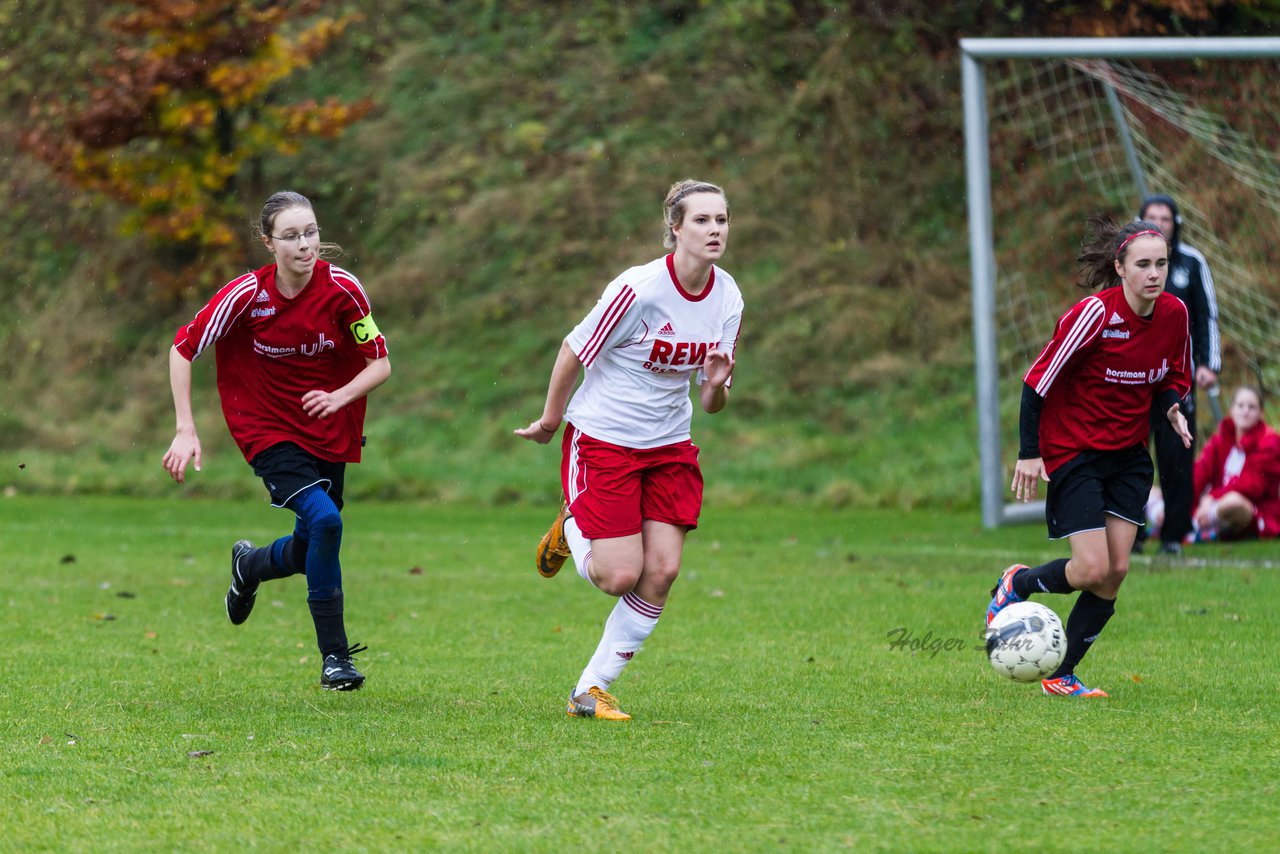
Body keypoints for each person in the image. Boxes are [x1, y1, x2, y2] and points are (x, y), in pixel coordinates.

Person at [514, 179, 742, 721]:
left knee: (661, 571)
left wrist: (713, 384)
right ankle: (571, 527)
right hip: (605, 441)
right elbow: (574, 349)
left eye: (722, 219)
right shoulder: (639, 289)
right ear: (675, 230)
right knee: (618, 576)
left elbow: (713, 403)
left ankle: (589, 690)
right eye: (702, 220)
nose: (715, 230)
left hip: (669, 446)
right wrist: (551, 420)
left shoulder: (728, 296)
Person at [162, 190, 391, 691]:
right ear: (269, 243)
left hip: (327, 428)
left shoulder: (345, 291)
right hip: (265, 428)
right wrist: (186, 428)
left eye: (310, 232)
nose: (305, 245)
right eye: (291, 236)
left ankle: (251, 565)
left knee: (315, 538)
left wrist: (339, 396)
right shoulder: (246, 295)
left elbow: (381, 362)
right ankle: (336, 659)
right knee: (327, 521)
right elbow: (183, 349)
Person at [986, 215, 1191, 698]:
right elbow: (1037, 382)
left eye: (1161, 263)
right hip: (1074, 451)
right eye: (1142, 264)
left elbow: (1169, 376)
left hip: (1129, 454)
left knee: (1115, 571)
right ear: (1120, 267)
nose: (1153, 274)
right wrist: (1030, 453)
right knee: (1092, 568)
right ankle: (1018, 582)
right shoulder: (1094, 315)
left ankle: (1061, 672)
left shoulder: (1175, 314)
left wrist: (1172, 407)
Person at [1132, 194, 1221, 557]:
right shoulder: (1127, 262)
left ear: (1175, 224)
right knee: (1131, 455)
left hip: (1177, 379)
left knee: (1176, 458)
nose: (1158, 223)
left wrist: (1207, 364)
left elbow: (1207, 316)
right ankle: (1131, 533)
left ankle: (1173, 534)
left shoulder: (1191, 263)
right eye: (1150, 217)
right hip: (1134, 378)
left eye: (1164, 218)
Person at [1190, 385, 1280, 541]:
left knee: (1233, 502)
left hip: (1253, 507)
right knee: (1155, 493)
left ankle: (1199, 527)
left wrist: (1212, 498)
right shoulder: (1221, 439)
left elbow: (1251, 485)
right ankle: (1191, 522)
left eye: (1251, 407)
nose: (1245, 412)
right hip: (1213, 502)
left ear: (1261, 413)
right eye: (1240, 406)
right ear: (1232, 410)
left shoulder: (1270, 442)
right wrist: (1185, 501)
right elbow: (1199, 472)